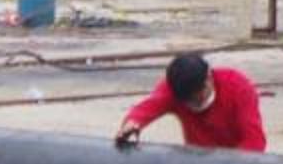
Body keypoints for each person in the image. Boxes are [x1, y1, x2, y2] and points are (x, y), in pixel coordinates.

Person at [114, 51, 267, 152]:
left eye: (199, 98)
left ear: (209, 79)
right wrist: (131, 125)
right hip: (198, 161)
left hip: (238, 162)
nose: (195, 105)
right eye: (188, 102)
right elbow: (144, 110)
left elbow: (254, 142)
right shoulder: (173, 89)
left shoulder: (238, 88)